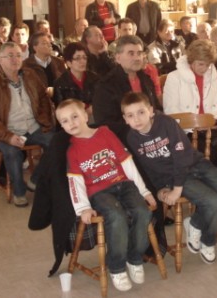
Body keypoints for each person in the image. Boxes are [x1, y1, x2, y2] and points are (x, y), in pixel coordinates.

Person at [122, 92, 217, 265]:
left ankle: (195, 223)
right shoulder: (132, 138)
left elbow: (181, 157)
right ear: (125, 119)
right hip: (172, 176)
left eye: (141, 112)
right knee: (211, 200)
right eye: (130, 115)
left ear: (151, 111)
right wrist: (160, 188)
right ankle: (208, 241)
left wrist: (177, 190)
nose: (137, 119)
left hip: (196, 164)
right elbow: (146, 168)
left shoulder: (166, 123)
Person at [57, 99, 155, 292]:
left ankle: (134, 258)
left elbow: (127, 162)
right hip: (98, 192)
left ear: (86, 116)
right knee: (116, 216)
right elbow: (75, 182)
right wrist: (83, 208)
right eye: (65, 121)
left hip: (124, 184)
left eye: (75, 116)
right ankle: (117, 267)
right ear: (61, 126)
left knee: (143, 211)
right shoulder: (72, 150)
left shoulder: (105, 133)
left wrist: (144, 191)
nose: (71, 123)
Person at [0, 42, 54, 207]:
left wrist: (45, 121)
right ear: (0, 60)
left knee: (56, 143)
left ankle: (35, 180)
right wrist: (8, 136)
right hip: (7, 131)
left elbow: (43, 99)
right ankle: (19, 192)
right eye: (10, 56)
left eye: (18, 55)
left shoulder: (30, 76)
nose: (15, 59)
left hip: (33, 127)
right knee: (13, 153)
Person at [162, 40, 217, 174]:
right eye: (201, 64)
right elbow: (171, 113)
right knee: (208, 150)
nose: (204, 69)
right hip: (186, 132)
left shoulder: (212, 75)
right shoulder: (174, 78)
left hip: (209, 128)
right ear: (191, 60)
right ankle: (209, 180)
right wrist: (197, 124)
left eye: (208, 65)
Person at [93, 35, 161, 143]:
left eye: (139, 53)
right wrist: (139, 132)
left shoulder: (146, 80)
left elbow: (156, 108)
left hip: (152, 136)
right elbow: (105, 124)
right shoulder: (105, 86)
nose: (137, 58)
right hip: (124, 141)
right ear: (118, 58)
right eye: (131, 53)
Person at [53, 42, 98, 115]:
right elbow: (61, 111)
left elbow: (101, 101)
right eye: (77, 58)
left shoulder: (95, 78)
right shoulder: (60, 84)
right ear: (68, 63)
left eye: (84, 57)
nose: (82, 61)